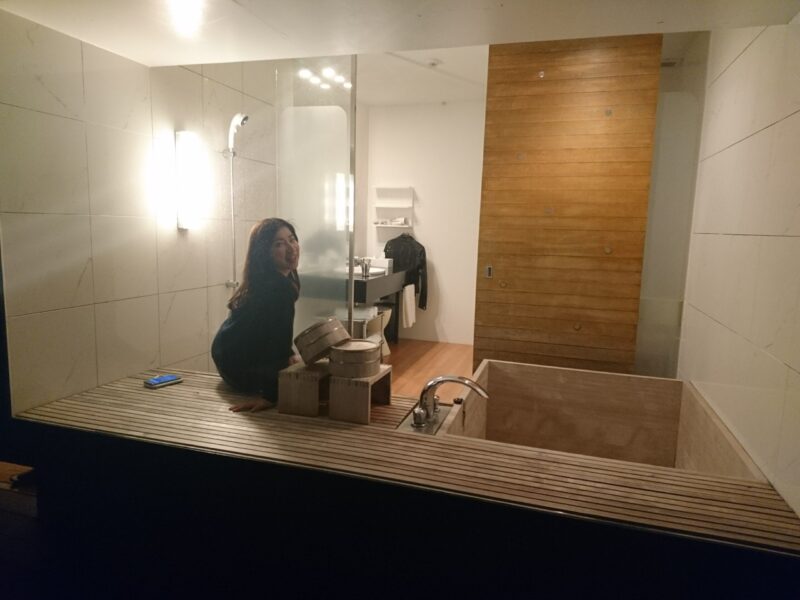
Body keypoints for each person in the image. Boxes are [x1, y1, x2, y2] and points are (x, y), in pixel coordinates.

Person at [211, 218, 301, 412]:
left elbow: (268, 331)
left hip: (227, 358)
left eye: (292, 239)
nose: (291, 248)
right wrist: (270, 395)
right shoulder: (279, 288)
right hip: (239, 368)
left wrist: (289, 354)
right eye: (279, 244)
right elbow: (276, 343)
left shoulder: (266, 280)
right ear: (265, 253)